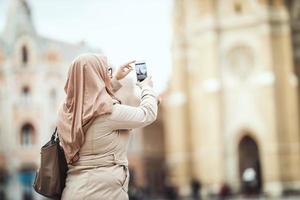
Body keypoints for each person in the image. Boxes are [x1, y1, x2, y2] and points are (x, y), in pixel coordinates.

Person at [56, 53, 158, 200]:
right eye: (106, 71)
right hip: (102, 193)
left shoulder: (66, 111)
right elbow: (148, 114)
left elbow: (90, 99)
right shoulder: (109, 113)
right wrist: (146, 88)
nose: (108, 75)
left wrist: (115, 79)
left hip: (73, 190)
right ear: (96, 76)